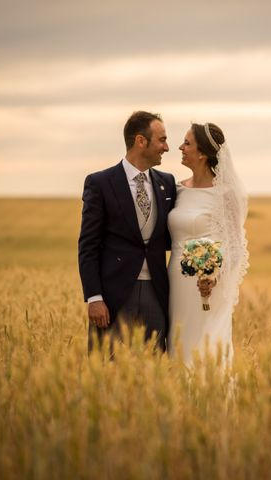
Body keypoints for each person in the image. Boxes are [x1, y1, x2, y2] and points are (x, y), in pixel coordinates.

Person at [78, 111, 177, 353]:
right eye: (162, 140)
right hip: (114, 297)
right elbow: (88, 245)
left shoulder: (168, 182)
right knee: (106, 372)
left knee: (153, 373)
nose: (167, 147)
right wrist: (94, 297)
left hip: (157, 294)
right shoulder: (100, 183)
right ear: (140, 141)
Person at [168, 122, 249, 366]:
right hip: (175, 281)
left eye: (187, 143)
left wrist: (214, 277)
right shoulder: (178, 189)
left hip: (207, 287)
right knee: (178, 343)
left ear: (202, 153)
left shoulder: (226, 194)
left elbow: (236, 247)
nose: (180, 147)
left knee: (205, 347)